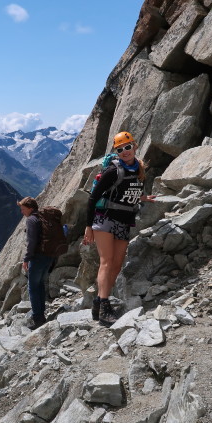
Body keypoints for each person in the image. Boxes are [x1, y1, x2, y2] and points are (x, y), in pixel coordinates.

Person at [83, 132, 156, 326]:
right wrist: (88, 226)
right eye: (120, 149)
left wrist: (143, 198)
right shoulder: (112, 171)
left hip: (124, 221)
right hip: (104, 219)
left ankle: (99, 301)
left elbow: (127, 193)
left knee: (116, 265)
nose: (124, 152)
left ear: (135, 146)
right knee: (106, 262)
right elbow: (93, 197)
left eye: (127, 147)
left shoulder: (139, 169)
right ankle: (105, 307)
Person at [18, 196, 54, 329]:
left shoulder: (31, 220)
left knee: (32, 287)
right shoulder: (42, 217)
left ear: (30, 208)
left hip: (37, 257)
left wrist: (26, 259)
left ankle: (37, 318)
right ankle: (41, 313)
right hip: (48, 256)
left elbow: (31, 242)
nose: (22, 212)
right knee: (40, 284)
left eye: (23, 209)